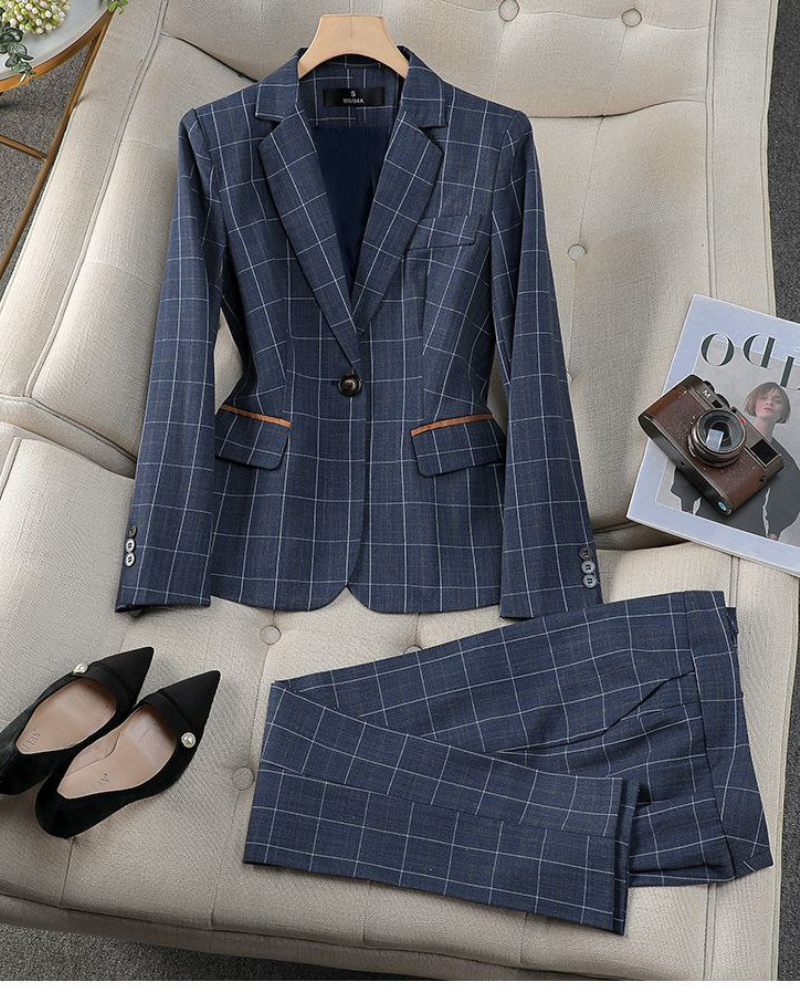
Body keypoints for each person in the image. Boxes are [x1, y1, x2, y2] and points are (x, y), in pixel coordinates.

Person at [671, 380, 800, 539]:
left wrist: (773, 533)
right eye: (763, 397)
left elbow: (788, 495)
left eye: (777, 400)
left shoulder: (784, 460)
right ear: (754, 403)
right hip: (707, 518)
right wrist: (687, 508)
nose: (769, 403)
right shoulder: (724, 428)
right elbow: (696, 463)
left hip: (749, 530)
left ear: (783, 411)